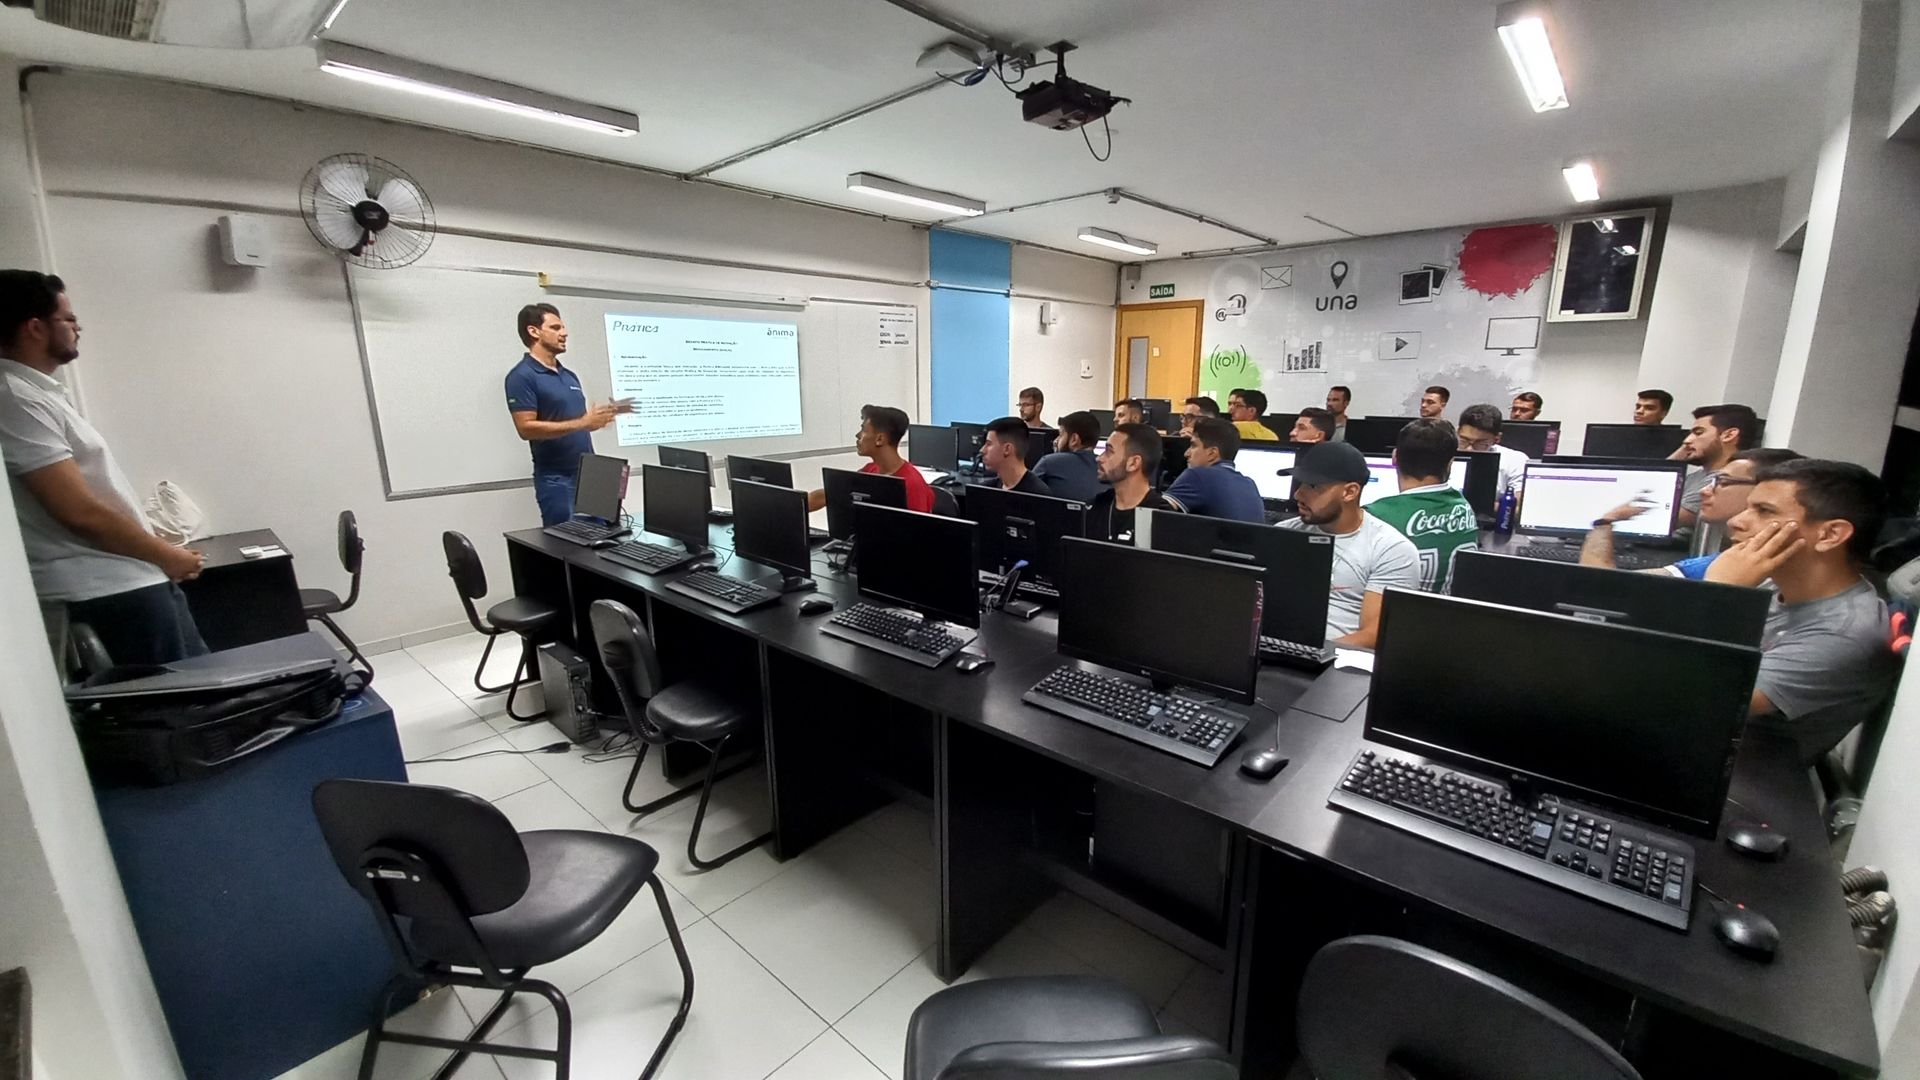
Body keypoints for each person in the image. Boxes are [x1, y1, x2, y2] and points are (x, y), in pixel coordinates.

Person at [0, 270, 209, 665]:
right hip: (107, 589)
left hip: (130, 580)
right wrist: (167, 555)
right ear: (34, 327)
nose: (79, 327)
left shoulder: (39, 394)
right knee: (174, 711)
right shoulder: (16, 400)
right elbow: (79, 512)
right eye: (68, 318)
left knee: (200, 696)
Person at [1703, 458, 1898, 765]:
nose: (1736, 521)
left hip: (1733, 774)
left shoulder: (1845, 633)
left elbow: (1701, 700)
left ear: (1830, 535)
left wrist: (1718, 595)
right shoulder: (1770, 581)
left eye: (1764, 511)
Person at [1279, 442, 1420, 647]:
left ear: (1350, 492)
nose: (1298, 495)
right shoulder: (1285, 533)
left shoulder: (1392, 550)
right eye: (1300, 484)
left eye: (1313, 486)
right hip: (1279, 647)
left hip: (1339, 661)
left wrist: (1310, 653)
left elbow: (1374, 634)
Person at [505, 302, 632, 525]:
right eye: (555, 328)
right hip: (558, 480)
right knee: (567, 547)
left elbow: (578, 422)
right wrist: (583, 422)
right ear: (534, 331)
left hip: (590, 475)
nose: (564, 333)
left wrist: (600, 418)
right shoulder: (522, 376)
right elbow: (525, 428)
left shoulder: (569, 376)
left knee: (603, 542)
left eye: (563, 328)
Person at [1582, 448, 1803, 575]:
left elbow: (1598, 585)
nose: (1705, 491)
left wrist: (1606, 521)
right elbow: (1602, 583)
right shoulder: (1723, 561)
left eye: (1721, 482)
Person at [1368, 419, 1477, 592]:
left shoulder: (1373, 516)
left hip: (1394, 613)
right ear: (1450, 464)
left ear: (1395, 457)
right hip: (1443, 611)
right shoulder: (1464, 506)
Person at [806, 404, 933, 513]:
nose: (858, 435)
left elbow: (918, 536)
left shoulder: (912, 485)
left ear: (880, 439)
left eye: (863, 430)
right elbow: (828, 495)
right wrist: (794, 505)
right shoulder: (870, 470)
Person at [1088, 422, 1177, 543]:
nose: (1099, 458)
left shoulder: (1163, 518)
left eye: (1109, 451)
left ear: (1134, 463)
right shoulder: (1095, 506)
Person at [1163, 416, 1265, 522]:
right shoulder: (1250, 484)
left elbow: (1154, 512)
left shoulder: (1198, 476)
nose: (1186, 453)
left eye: (1193, 446)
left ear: (1212, 453)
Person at [1671, 403, 1758, 527]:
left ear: (1729, 435)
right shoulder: (1696, 477)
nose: (1687, 440)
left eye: (1698, 433)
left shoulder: (1724, 480)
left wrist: (1634, 511)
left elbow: (1663, 521)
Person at [1456, 403, 1529, 496]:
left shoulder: (1515, 460)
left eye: (1480, 443)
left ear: (1496, 439)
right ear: (1457, 431)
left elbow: (1519, 503)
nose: (1469, 449)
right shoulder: (1441, 455)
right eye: (1464, 440)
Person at [1032, 410, 1104, 501]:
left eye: (1061, 435)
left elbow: (1023, 496)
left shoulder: (1049, 462)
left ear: (1074, 439)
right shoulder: (1107, 470)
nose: (1056, 441)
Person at [981, 416, 1050, 495]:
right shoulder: (986, 490)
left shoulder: (1038, 495)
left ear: (1007, 449)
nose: (982, 450)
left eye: (989, 444)